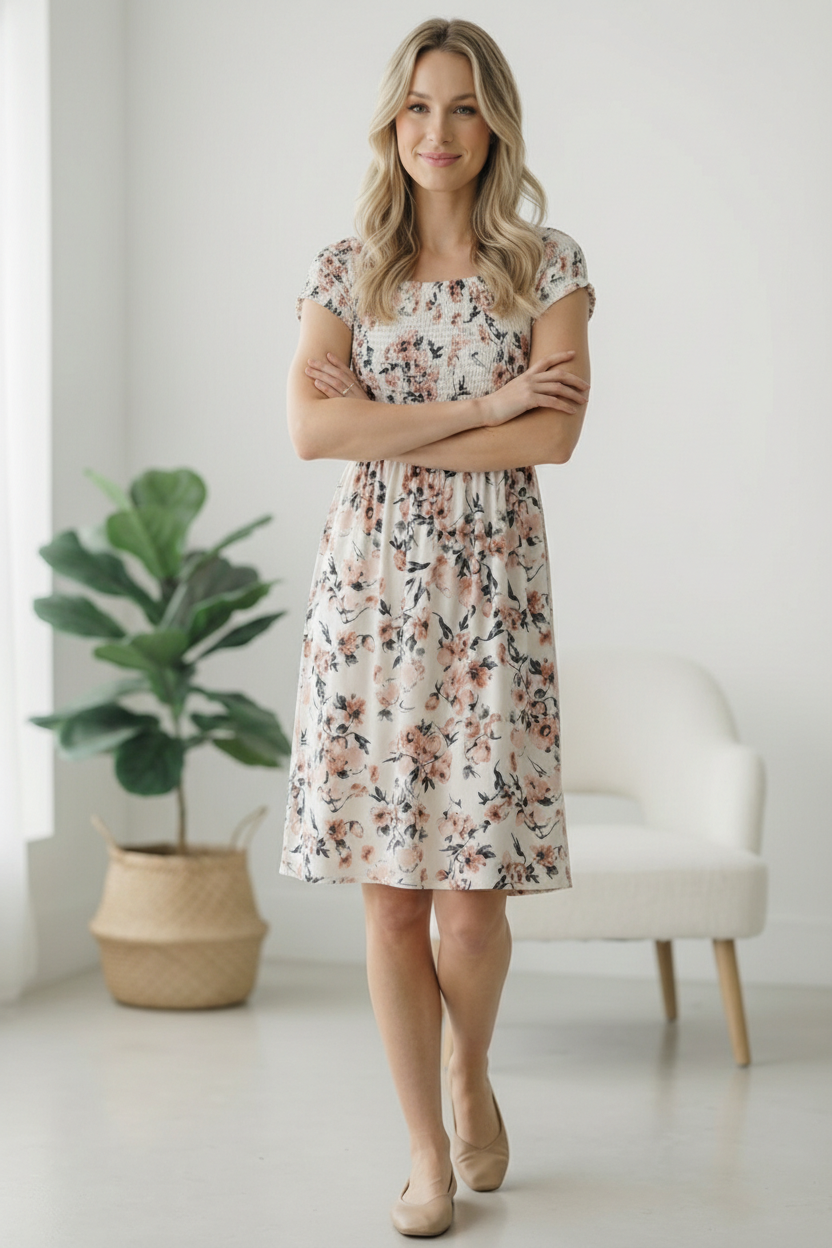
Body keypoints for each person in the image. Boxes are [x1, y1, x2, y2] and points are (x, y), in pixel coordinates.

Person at [280, 16, 594, 1237]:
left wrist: (409, 417)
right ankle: (424, 1152)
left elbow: (552, 440)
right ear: (391, 121)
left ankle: (470, 1065)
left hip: (491, 607)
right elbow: (315, 433)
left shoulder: (546, 266)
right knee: (392, 900)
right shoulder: (345, 268)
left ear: (494, 122)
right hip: (367, 602)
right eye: (417, 106)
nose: (437, 130)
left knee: (471, 905)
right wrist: (490, 400)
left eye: (462, 106)